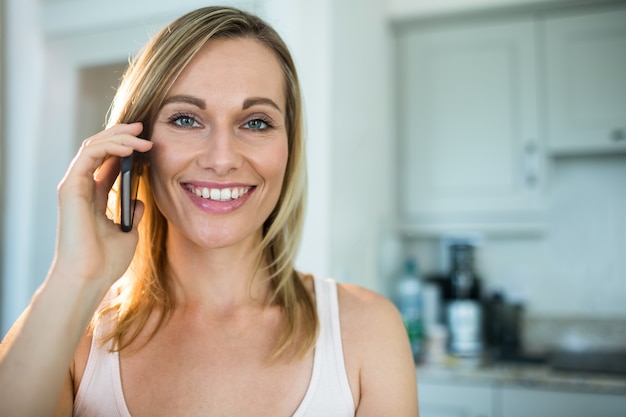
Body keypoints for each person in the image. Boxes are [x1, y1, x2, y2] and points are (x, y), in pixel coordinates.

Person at [0, 6, 418, 416]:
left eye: (255, 122)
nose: (222, 159)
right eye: (186, 119)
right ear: (133, 148)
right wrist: (75, 275)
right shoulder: (76, 340)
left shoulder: (367, 331)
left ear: (289, 148)